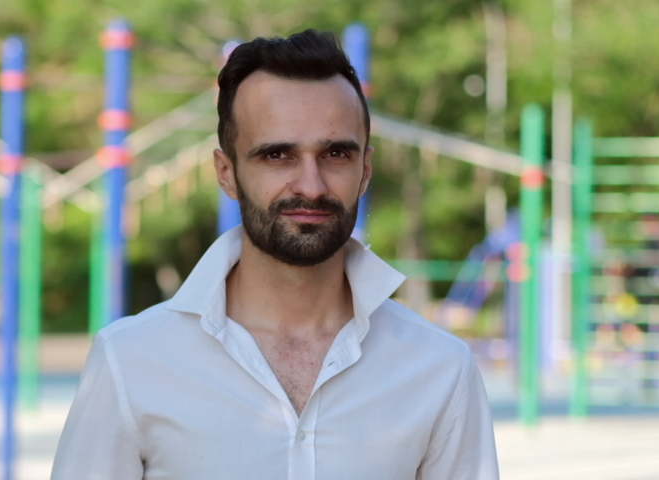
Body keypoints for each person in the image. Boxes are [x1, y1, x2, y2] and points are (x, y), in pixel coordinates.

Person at [51, 29, 499, 480]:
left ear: (365, 170)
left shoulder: (440, 369)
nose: (311, 185)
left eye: (336, 154)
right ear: (226, 173)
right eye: (277, 155)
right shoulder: (131, 360)